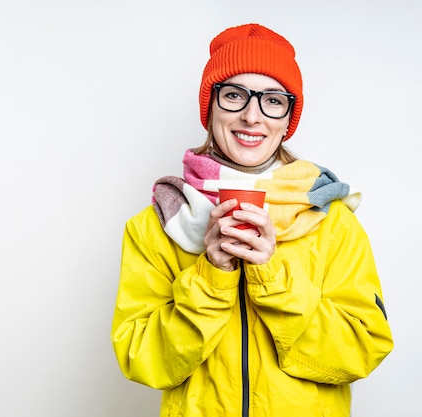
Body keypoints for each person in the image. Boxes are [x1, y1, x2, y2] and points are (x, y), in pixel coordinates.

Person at [111, 23, 394, 417]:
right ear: (210, 107)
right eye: (233, 95)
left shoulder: (331, 221)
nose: (251, 116)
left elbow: (363, 349)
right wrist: (211, 276)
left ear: (288, 116)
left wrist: (272, 276)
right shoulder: (156, 224)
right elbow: (141, 359)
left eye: (272, 100)